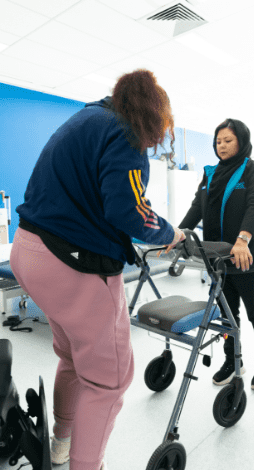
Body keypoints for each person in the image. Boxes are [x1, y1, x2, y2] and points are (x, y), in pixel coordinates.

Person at [9, 69, 186, 470]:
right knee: (109, 381)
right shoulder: (125, 133)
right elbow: (130, 212)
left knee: (73, 357)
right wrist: (170, 233)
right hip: (70, 265)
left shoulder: (85, 120)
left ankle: (60, 446)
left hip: (30, 253)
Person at [177, 118, 254, 391]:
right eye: (218, 141)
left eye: (228, 140)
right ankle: (233, 360)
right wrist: (177, 234)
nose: (221, 145)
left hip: (248, 257)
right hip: (218, 259)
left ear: (241, 141)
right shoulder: (210, 174)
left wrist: (243, 239)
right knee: (226, 315)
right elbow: (197, 207)